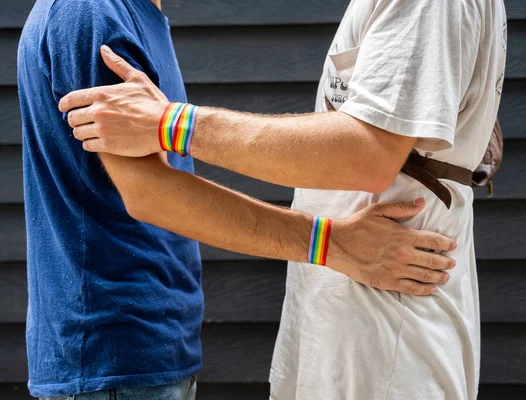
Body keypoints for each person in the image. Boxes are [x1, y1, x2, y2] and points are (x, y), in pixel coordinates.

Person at [19, 0, 458, 399]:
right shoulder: (90, 12)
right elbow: (150, 194)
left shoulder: (137, 15)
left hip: (148, 348)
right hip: (110, 354)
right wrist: (331, 242)